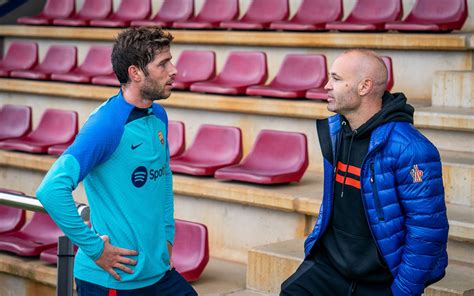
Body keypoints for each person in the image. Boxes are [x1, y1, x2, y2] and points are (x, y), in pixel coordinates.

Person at [36, 27, 197, 295]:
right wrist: (96, 249)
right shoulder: (107, 125)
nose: (174, 70)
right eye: (163, 63)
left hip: (157, 273)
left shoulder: (158, 115)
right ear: (135, 73)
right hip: (112, 281)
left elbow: (163, 176)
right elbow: (50, 190)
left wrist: (167, 236)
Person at [280, 50, 448, 296]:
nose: (326, 86)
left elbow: (427, 231)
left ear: (364, 86)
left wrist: (402, 291)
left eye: (336, 79)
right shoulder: (336, 133)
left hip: (380, 278)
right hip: (330, 267)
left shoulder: (412, 149)